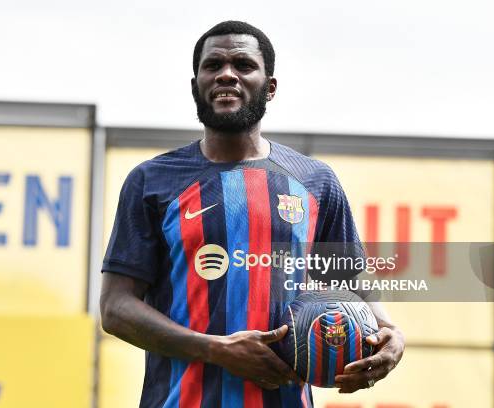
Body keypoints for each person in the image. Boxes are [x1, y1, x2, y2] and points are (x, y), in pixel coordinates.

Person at [100, 20, 405, 408]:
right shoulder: (151, 181)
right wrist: (215, 349)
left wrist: (389, 332)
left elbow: (352, 285)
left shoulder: (316, 182)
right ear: (196, 84)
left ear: (270, 87)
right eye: (213, 66)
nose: (227, 74)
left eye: (243, 64)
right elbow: (115, 309)